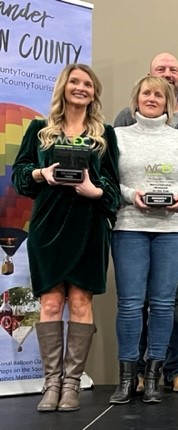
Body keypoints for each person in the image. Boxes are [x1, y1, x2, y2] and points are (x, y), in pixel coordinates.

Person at [12, 63, 120, 412]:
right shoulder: (39, 130)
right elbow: (20, 177)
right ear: (63, 87)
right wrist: (43, 173)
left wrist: (94, 190)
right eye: (75, 81)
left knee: (81, 303)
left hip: (88, 227)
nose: (81, 87)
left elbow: (114, 190)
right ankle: (51, 384)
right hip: (47, 227)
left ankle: (71, 385)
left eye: (88, 83)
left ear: (94, 92)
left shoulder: (105, 134)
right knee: (50, 304)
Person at [114, 52, 178, 394]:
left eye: (159, 95)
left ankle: (153, 377)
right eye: (146, 94)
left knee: (165, 304)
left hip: (174, 230)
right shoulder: (119, 136)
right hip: (130, 227)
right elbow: (109, 179)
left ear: (169, 102)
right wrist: (130, 195)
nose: (152, 99)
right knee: (130, 304)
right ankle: (127, 379)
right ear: (136, 100)